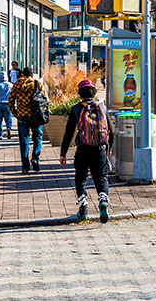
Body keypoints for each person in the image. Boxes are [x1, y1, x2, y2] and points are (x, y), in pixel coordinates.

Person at [60, 79, 112, 223]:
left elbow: (69, 132)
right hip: (100, 149)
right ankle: (103, 201)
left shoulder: (77, 109)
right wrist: (109, 148)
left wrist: (63, 153)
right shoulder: (102, 107)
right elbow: (110, 130)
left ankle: (83, 209)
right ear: (93, 93)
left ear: (79, 93)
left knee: (81, 178)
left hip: (83, 148)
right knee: (101, 177)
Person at [9, 67, 45, 174]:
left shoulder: (16, 85)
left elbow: (10, 102)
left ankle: (25, 166)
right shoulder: (37, 84)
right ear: (32, 75)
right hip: (35, 116)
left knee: (24, 140)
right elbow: (45, 100)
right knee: (38, 137)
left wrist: (16, 113)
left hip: (22, 115)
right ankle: (35, 158)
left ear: (22, 75)